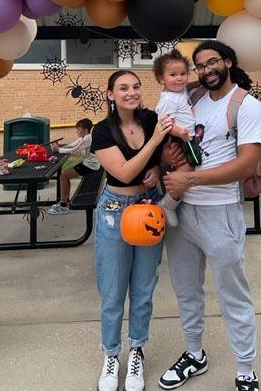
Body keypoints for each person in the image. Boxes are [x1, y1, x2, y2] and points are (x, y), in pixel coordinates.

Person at [158, 41, 261, 391]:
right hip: (183, 211)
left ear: (228, 62)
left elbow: (246, 164)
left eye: (212, 62)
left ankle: (246, 369)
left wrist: (191, 179)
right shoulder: (192, 98)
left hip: (220, 211)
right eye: (200, 66)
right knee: (186, 291)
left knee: (233, 295)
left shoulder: (246, 106)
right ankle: (194, 354)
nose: (206, 70)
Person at [90, 70, 174, 391]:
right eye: (123, 88)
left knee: (143, 288)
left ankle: (136, 350)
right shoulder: (102, 131)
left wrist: (158, 167)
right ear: (110, 94)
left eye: (136, 86)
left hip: (149, 206)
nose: (131, 92)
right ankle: (111, 355)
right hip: (116, 210)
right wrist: (153, 143)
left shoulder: (151, 119)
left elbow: (165, 157)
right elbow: (124, 172)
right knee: (113, 290)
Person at [152, 49, 200, 227]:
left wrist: (200, 80)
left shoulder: (179, 92)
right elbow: (166, 123)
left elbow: (190, 85)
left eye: (183, 74)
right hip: (179, 137)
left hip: (186, 136)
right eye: (173, 75)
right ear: (161, 79)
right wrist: (180, 133)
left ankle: (171, 196)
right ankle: (168, 203)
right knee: (189, 168)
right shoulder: (168, 99)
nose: (179, 78)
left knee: (191, 167)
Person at [47, 118, 100, 215]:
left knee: (64, 176)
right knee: (64, 175)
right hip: (88, 163)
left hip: (91, 166)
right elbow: (72, 146)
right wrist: (59, 148)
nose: (76, 131)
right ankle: (64, 201)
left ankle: (63, 205)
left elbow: (74, 151)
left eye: (78, 129)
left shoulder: (88, 138)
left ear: (85, 130)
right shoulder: (83, 137)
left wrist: (59, 149)